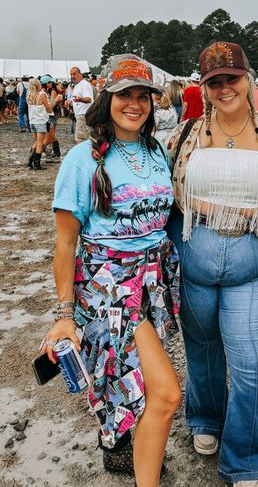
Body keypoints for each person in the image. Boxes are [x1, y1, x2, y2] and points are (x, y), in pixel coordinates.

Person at [39, 54, 181, 487]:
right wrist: (65, 315)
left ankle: (122, 450)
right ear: (107, 98)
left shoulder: (157, 150)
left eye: (144, 96)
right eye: (125, 95)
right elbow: (66, 242)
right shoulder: (82, 159)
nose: (135, 104)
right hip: (110, 287)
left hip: (154, 282)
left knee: (131, 377)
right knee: (166, 393)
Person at [167, 41, 258, 487]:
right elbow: (157, 187)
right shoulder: (183, 135)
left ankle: (244, 457)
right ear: (203, 87)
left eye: (232, 79)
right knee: (201, 350)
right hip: (195, 262)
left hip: (253, 266)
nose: (225, 88)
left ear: (248, 79)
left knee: (253, 364)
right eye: (214, 81)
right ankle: (205, 419)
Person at [26, 78, 53, 170]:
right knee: (40, 143)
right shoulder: (41, 96)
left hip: (32, 121)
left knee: (36, 141)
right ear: (38, 85)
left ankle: (30, 161)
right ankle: (37, 164)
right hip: (40, 121)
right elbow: (49, 109)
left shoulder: (29, 95)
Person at [68, 66, 94, 143]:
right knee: (84, 140)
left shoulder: (84, 84)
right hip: (80, 116)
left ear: (80, 74)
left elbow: (89, 99)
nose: (72, 76)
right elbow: (77, 101)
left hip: (84, 115)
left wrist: (79, 99)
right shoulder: (77, 85)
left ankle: (84, 155)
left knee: (80, 140)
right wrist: (70, 103)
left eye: (74, 74)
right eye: (71, 74)